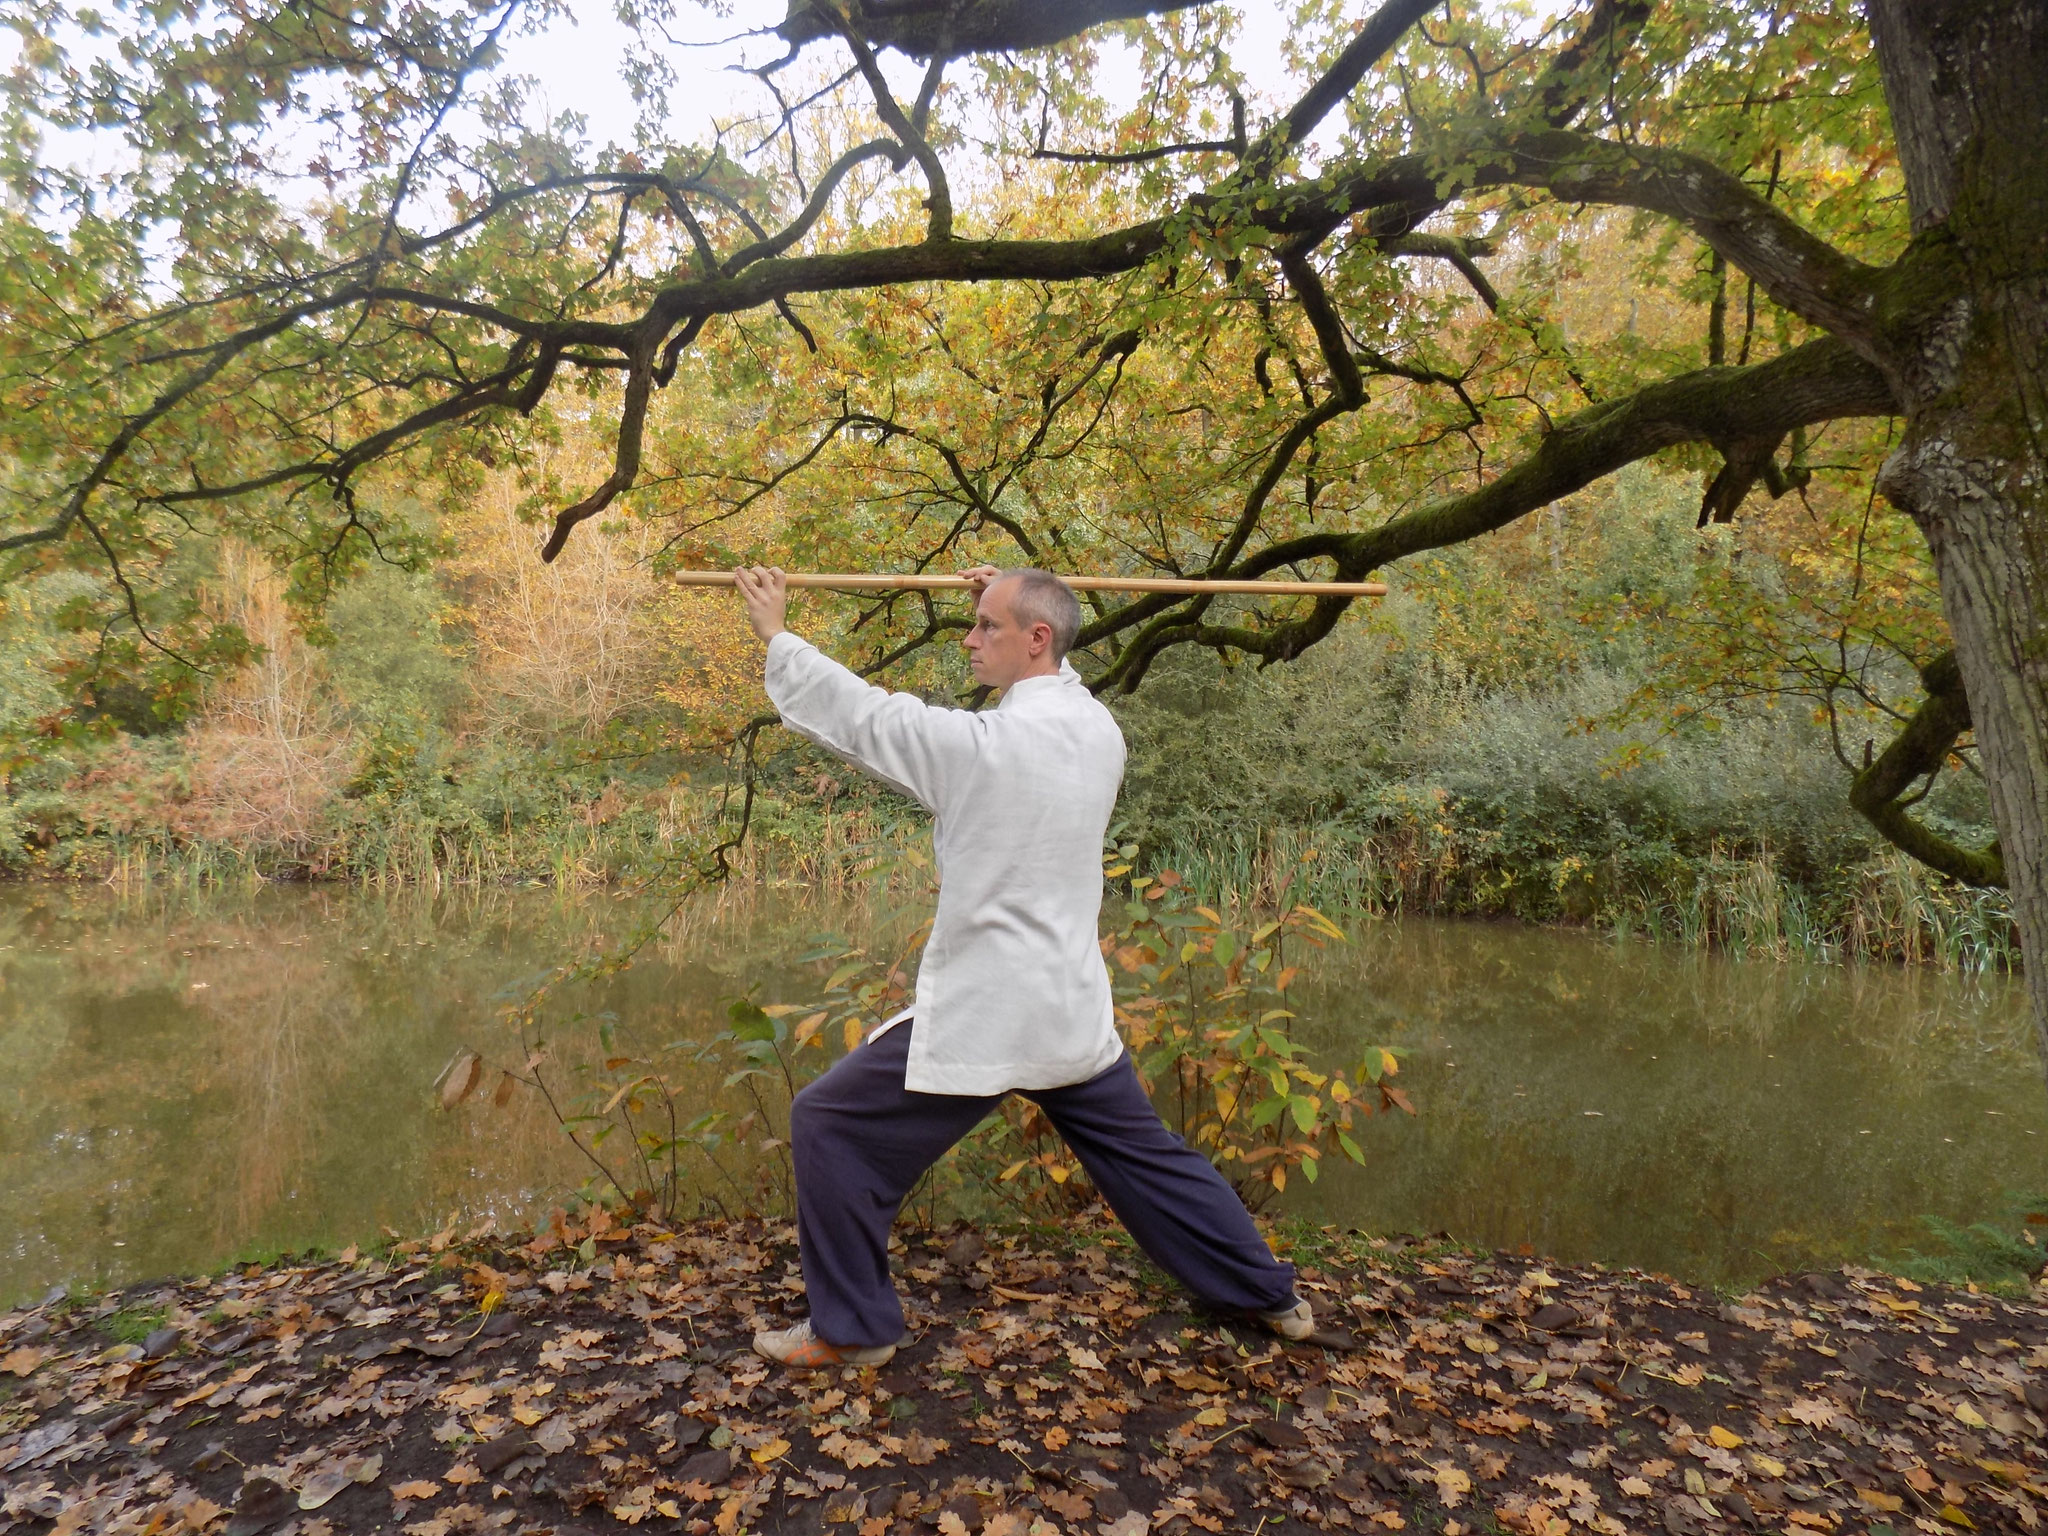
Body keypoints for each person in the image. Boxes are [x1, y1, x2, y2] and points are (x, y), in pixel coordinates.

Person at [730, 563, 1315, 1369]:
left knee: (828, 1123)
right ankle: (1269, 1296)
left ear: (1037, 640)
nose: (969, 639)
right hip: (1066, 1007)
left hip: (993, 1013)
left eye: (987, 626)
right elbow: (1053, 672)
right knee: (1148, 1160)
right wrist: (1012, 590)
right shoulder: (1097, 730)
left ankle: (853, 1329)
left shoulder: (982, 750)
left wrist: (777, 633)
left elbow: (867, 719)